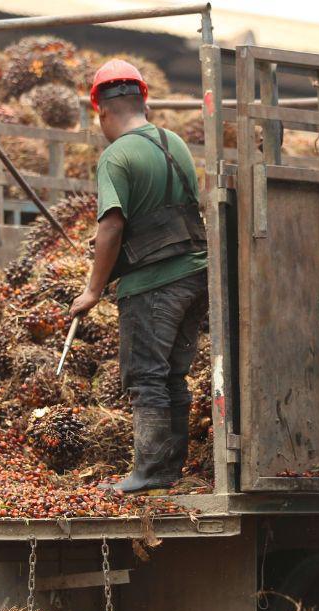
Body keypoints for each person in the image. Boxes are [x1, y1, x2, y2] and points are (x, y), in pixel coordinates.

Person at [69, 59, 208, 494]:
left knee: (146, 376)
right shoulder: (176, 144)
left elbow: (110, 225)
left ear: (102, 111)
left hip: (153, 286)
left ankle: (148, 471)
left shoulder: (116, 156)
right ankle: (170, 469)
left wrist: (93, 289)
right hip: (195, 278)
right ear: (143, 101)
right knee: (173, 376)